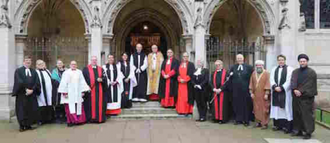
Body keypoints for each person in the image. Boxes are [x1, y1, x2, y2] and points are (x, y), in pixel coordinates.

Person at [290, 54, 318, 139]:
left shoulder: (311, 72)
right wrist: (294, 89)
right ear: (299, 62)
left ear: (307, 62)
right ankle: (297, 130)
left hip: (306, 98)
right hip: (296, 97)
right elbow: (293, 81)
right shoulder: (295, 72)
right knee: (297, 114)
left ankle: (308, 132)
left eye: (304, 61)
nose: (302, 63)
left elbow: (310, 84)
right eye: (301, 61)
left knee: (307, 116)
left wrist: (300, 91)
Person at [12, 56, 41, 132]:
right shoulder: (18, 71)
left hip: (31, 94)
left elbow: (37, 82)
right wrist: (26, 89)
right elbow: (19, 81)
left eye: (29, 61)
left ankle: (28, 125)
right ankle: (22, 126)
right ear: (23, 62)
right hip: (22, 94)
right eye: (26, 60)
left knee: (30, 110)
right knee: (21, 110)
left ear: (31, 62)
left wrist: (32, 90)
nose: (28, 62)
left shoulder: (34, 71)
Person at [58, 61, 90, 127]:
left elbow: (82, 82)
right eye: (72, 64)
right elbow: (63, 83)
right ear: (70, 65)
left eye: (75, 64)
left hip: (77, 93)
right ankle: (70, 121)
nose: (74, 65)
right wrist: (64, 93)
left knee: (79, 107)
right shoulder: (66, 72)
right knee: (69, 108)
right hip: (69, 93)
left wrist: (83, 91)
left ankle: (79, 121)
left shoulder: (79, 72)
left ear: (77, 65)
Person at [270, 55, 293, 134]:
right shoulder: (274, 69)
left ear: (285, 60)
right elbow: (271, 79)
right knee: (276, 109)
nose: (281, 61)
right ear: (277, 61)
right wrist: (275, 87)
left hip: (285, 93)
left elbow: (289, 80)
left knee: (285, 109)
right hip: (276, 91)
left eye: (282, 60)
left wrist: (282, 87)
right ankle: (277, 125)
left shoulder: (289, 69)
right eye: (279, 60)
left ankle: (286, 126)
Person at [230, 54, 253, 126]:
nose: (239, 59)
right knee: (237, 104)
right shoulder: (233, 67)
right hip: (236, 90)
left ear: (243, 59)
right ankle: (238, 119)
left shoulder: (249, 67)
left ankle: (246, 120)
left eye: (240, 58)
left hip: (245, 89)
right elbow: (230, 78)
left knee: (245, 104)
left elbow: (251, 78)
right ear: (236, 59)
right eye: (238, 58)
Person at [82, 56, 107, 123]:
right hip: (90, 91)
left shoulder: (101, 69)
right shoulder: (85, 69)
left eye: (95, 60)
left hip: (99, 91)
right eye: (93, 60)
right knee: (90, 105)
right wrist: (85, 89)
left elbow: (105, 78)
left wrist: (101, 79)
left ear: (97, 61)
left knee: (99, 105)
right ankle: (90, 119)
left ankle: (99, 119)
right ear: (90, 60)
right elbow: (83, 80)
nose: (94, 61)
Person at [249, 60, 271, 129]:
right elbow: (251, 83)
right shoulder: (253, 73)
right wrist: (251, 93)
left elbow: (268, 83)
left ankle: (264, 123)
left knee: (264, 109)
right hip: (255, 94)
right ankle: (258, 122)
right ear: (255, 66)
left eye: (260, 65)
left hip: (263, 94)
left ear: (263, 66)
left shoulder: (267, 73)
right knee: (256, 108)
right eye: (257, 65)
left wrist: (267, 93)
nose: (259, 66)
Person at [35, 60, 54, 125]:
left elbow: (52, 80)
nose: (41, 65)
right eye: (39, 64)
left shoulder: (47, 71)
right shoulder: (36, 72)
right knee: (41, 104)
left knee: (49, 103)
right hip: (41, 92)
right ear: (37, 65)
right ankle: (41, 120)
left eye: (42, 64)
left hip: (49, 91)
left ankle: (49, 119)